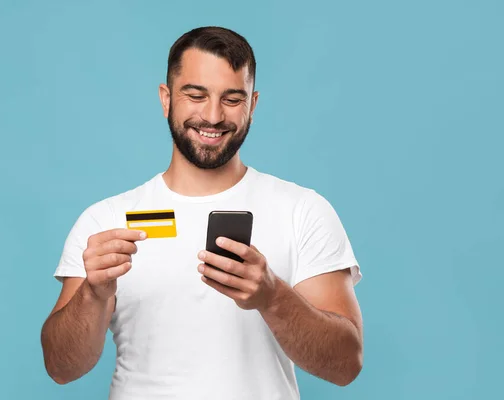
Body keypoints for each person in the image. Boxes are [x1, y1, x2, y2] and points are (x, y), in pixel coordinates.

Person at [40, 26, 364, 400]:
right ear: (166, 99)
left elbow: (346, 365)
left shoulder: (303, 211)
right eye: (196, 95)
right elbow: (60, 368)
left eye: (232, 99)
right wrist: (92, 295)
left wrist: (272, 297)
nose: (212, 116)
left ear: (252, 106)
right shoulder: (107, 220)